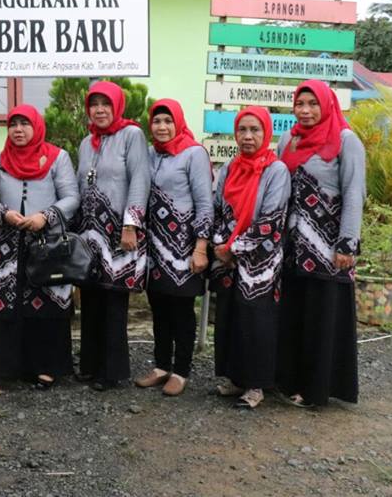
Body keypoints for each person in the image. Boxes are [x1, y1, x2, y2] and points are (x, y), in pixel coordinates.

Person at [277, 80, 365, 407]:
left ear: (327, 104)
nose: (306, 110)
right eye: (300, 104)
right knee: (294, 314)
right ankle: (288, 380)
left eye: (313, 104)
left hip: (328, 248)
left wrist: (347, 244)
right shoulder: (289, 139)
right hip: (292, 247)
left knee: (322, 317)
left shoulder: (345, 140)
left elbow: (354, 192)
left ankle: (316, 389)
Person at [0, 104, 79, 389]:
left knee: (48, 303)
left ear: (37, 126)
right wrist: (3, 214)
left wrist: (45, 217)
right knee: (9, 303)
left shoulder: (58, 157)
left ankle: (47, 367)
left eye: (25, 124)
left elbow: (72, 197)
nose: (18, 130)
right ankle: (10, 367)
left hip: (47, 243)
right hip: (9, 246)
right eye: (13, 124)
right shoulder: (0, 159)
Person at [210, 106, 290, 409]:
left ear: (266, 133)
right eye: (242, 130)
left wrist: (234, 249)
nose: (247, 136)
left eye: (255, 130)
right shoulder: (230, 167)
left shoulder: (276, 171)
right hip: (227, 259)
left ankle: (256, 385)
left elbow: (271, 220)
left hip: (261, 260)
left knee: (256, 319)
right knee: (229, 316)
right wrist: (221, 244)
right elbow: (218, 209)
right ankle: (235, 378)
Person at [76, 81, 150, 391]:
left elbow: (140, 178)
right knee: (91, 298)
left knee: (113, 300)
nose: (99, 110)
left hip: (119, 233)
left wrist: (131, 224)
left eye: (106, 103)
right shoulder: (86, 142)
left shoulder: (131, 135)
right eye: (94, 104)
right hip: (90, 234)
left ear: (117, 106)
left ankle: (112, 371)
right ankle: (90, 364)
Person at [135, 99, 213, 397]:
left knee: (181, 310)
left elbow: (205, 204)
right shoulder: (149, 154)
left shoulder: (194, 153)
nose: (162, 127)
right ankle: (161, 366)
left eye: (168, 121)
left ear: (178, 122)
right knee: (159, 307)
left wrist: (201, 247)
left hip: (183, 247)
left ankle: (181, 371)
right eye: (157, 121)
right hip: (154, 248)